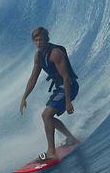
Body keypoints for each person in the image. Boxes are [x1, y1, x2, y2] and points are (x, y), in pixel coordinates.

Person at [20, 26, 80, 162]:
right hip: (60, 88)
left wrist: (68, 101)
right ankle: (71, 139)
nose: (38, 43)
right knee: (48, 117)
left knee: (46, 115)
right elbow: (33, 79)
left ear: (47, 39)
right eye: (35, 40)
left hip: (69, 86)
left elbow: (66, 77)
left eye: (41, 39)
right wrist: (24, 97)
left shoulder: (55, 53)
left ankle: (51, 152)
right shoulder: (39, 56)